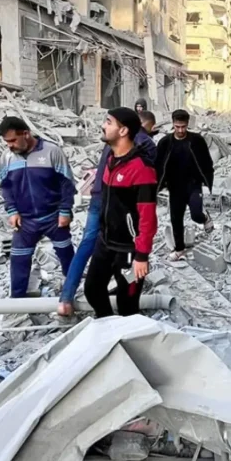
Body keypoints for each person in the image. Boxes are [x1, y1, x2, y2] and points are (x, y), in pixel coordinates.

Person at [59, 105, 156, 316]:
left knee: (127, 304)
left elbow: (148, 217)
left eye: (108, 122)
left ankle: (127, 333)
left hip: (128, 249)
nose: (103, 126)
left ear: (123, 131)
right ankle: (109, 325)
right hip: (105, 243)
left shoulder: (142, 169)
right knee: (93, 290)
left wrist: (141, 255)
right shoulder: (111, 161)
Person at [0, 117, 76, 300]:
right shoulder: (7, 158)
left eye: (13, 140)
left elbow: (66, 183)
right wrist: (12, 210)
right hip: (25, 221)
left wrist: (65, 210)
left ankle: (73, 291)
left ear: (26, 134)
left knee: (66, 254)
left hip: (54, 217)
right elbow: (6, 187)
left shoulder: (52, 151)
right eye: (7, 142)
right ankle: (17, 302)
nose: (9, 146)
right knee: (18, 259)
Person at [156, 109, 215, 260]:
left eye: (183, 127)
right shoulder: (165, 143)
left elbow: (207, 162)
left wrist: (208, 181)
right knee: (176, 219)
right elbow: (157, 165)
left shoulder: (197, 140)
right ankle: (179, 249)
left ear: (188, 124)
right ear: (173, 124)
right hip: (175, 187)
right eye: (177, 127)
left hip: (193, 185)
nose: (181, 130)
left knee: (196, 214)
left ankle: (205, 218)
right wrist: (158, 185)